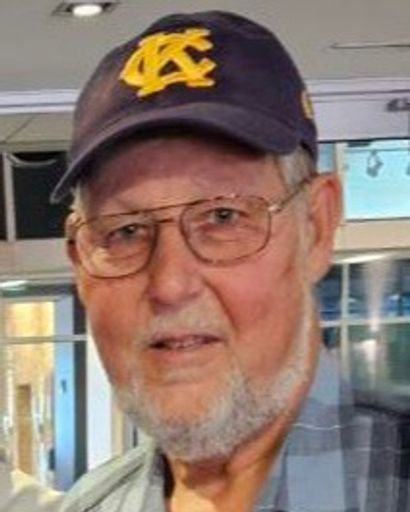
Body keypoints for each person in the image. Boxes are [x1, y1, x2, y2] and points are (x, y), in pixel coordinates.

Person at [52, 11, 405, 512]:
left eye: (223, 216)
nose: (170, 284)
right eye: (126, 231)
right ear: (79, 263)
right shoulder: (90, 504)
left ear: (317, 226)